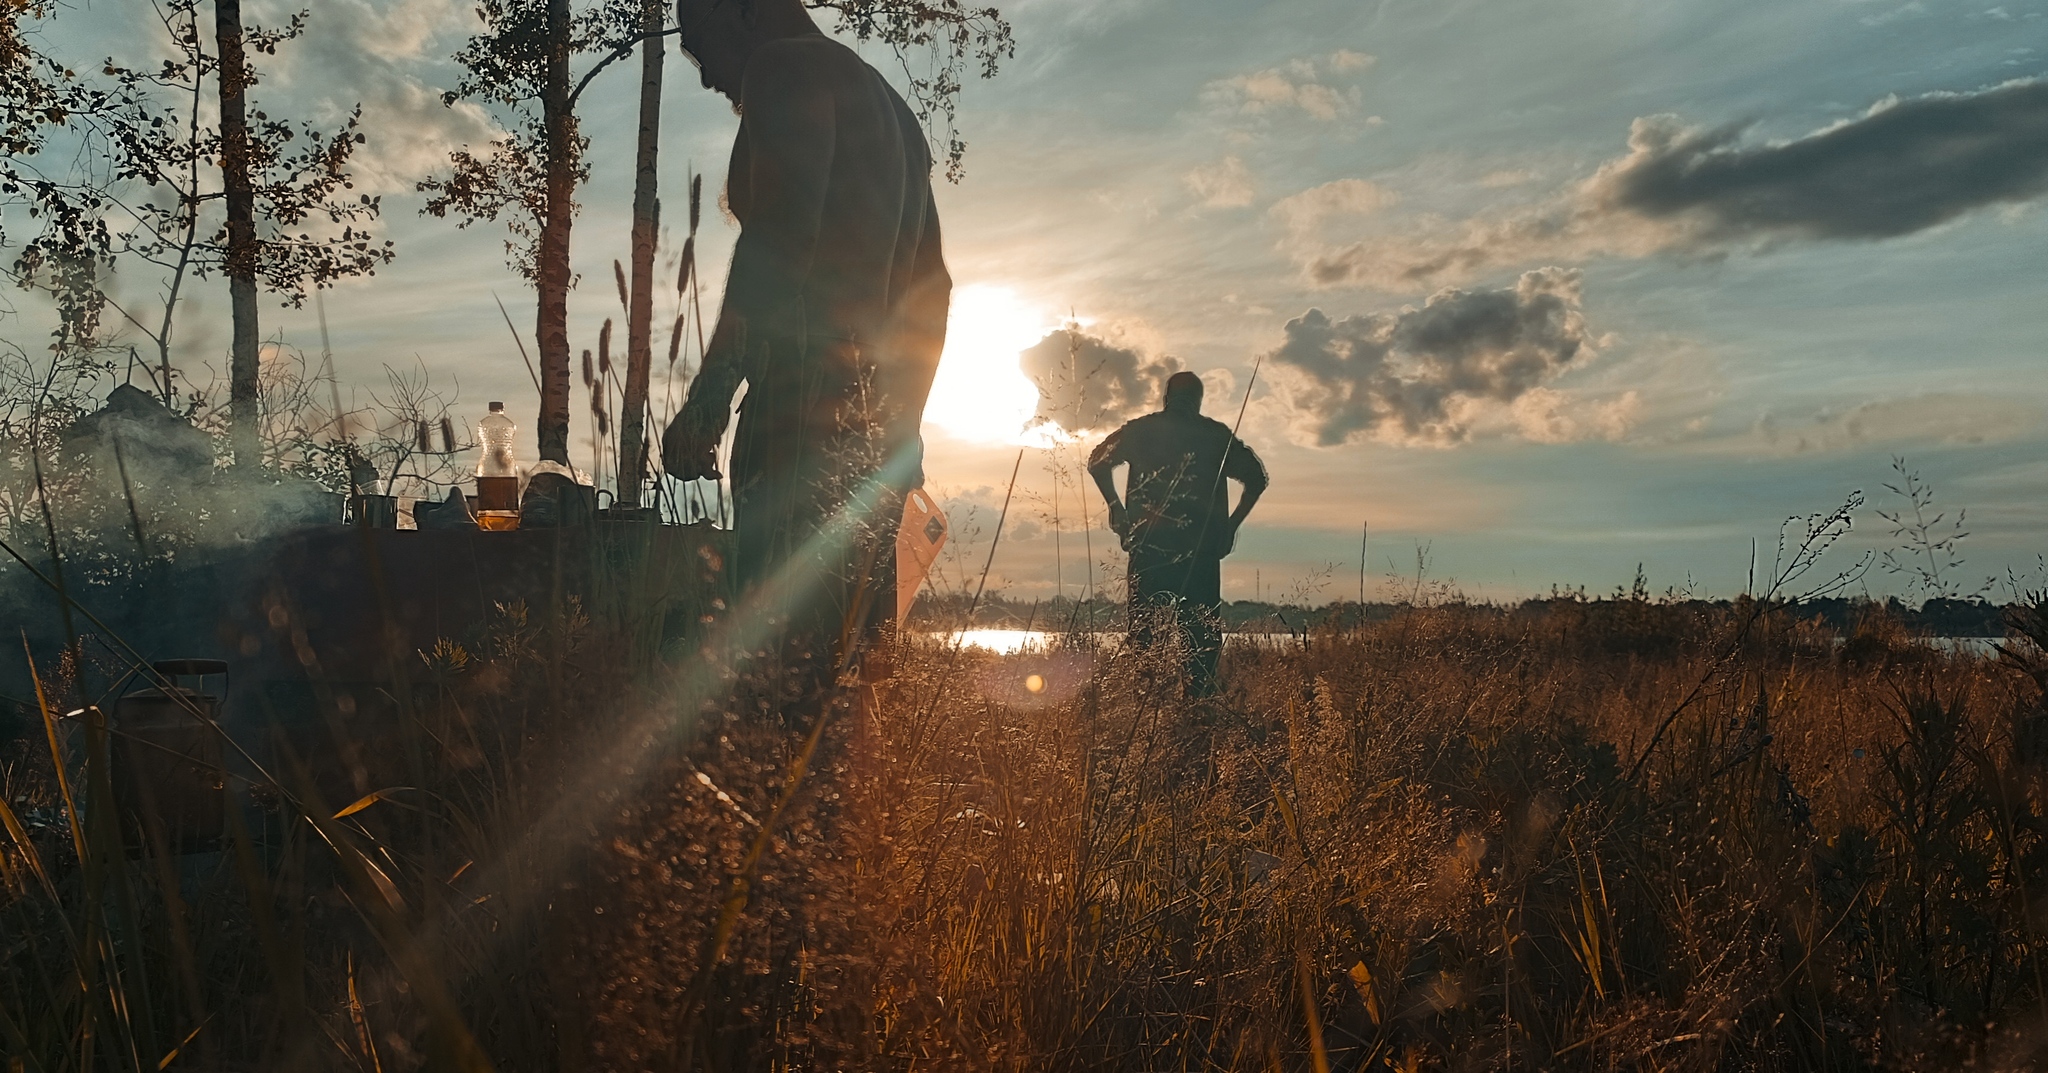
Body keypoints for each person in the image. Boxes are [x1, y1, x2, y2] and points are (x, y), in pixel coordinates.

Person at [661, 0, 951, 672]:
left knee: (774, 669)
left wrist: (706, 406)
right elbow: (932, 292)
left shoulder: (783, 64)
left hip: (798, 418)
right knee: (850, 680)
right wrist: (901, 430)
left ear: (743, 11)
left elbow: (782, 239)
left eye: (699, 42)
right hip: (877, 436)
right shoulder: (896, 114)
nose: (704, 75)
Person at [1089, 371, 1268, 697]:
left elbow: (1097, 461)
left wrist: (1116, 506)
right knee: (1201, 649)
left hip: (1149, 550)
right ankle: (1196, 718)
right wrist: (1231, 525)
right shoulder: (1214, 436)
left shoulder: (1141, 431)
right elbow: (1257, 478)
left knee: (1145, 641)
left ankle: (1144, 716)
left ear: (1166, 398)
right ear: (1199, 402)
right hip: (1199, 555)